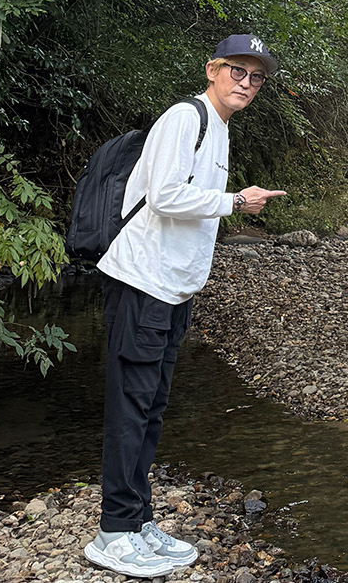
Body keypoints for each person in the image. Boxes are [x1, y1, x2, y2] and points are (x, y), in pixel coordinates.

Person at [83, 34, 287, 578]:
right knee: (130, 406)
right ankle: (113, 532)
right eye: (237, 71)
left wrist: (226, 208)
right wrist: (236, 201)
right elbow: (166, 195)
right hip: (142, 281)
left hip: (174, 289)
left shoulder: (219, 129)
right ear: (212, 70)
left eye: (256, 76)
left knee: (151, 407)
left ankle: (139, 519)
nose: (247, 82)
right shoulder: (184, 117)